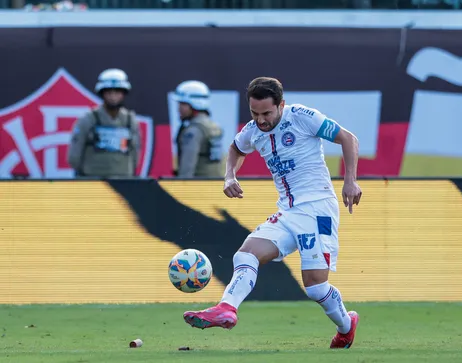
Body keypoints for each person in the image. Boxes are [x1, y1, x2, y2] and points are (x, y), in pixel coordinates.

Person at [183, 77, 363, 349]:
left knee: (315, 287)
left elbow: (348, 139)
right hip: (288, 211)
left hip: (317, 209)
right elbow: (235, 148)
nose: (261, 120)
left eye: (267, 113)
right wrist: (229, 177)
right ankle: (227, 309)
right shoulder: (253, 129)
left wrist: (350, 180)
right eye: (255, 113)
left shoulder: (303, 117)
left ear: (281, 104)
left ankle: (346, 326)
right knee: (245, 253)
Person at [67, 68, 140, 178]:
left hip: (124, 182)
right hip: (93, 182)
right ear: (102, 93)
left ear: (124, 93)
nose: (113, 97)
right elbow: (74, 156)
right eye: (109, 92)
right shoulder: (88, 120)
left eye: (117, 92)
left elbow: (135, 154)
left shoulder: (130, 121)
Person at [172, 80, 223, 178]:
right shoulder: (214, 127)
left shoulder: (193, 131)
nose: (179, 109)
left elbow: (187, 169)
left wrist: (181, 188)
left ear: (194, 104)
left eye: (182, 104)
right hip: (215, 186)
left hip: (197, 188)